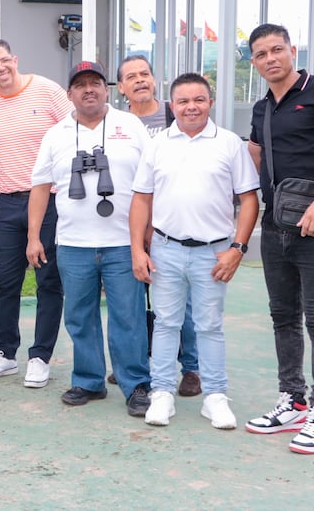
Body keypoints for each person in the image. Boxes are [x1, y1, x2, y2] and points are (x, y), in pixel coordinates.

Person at [245, 23, 314, 455]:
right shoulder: (262, 108)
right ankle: (291, 399)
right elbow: (256, 152)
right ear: (253, 63)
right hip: (276, 228)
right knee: (283, 318)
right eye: (261, 54)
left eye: (277, 49)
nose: (271, 58)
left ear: (292, 50)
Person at [129, 73, 260, 430]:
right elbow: (141, 199)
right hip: (166, 249)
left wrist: (238, 247)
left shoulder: (229, 143)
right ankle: (162, 394)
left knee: (209, 326)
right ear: (173, 105)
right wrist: (136, 250)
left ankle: (215, 397)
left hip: (213, 253)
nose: (191, 107)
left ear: (210, 103)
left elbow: (249, 199)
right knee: (167, 323)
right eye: (183, 101)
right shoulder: (158, 144)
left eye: (199, 100)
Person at [28, 61, 151, 416]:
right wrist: (34, 236)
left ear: (107, 89)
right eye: (80, 85)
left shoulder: (131, 126)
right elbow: (40, 187)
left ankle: (136, 383)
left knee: (128, 315)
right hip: (73, 242)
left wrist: (146, 235)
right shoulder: (56, 134)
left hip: (123, 242)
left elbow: (151, 181)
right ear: (70, 94)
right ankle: (88, 379)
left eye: (95, 83)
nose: (88, 90)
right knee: (79, 315)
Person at [0, 39, 69, 389]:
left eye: (5, 60)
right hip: (8, 201)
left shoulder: (47, 90)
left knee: (48, 281)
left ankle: (41, 356)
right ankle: (5, 353)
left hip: (49, 201)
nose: (0, 68)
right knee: (6, 282)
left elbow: (74, 133)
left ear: (15, 59)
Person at [117, 55, 202, 397]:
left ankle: (192, 368)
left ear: (155, 80)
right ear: (121, 88)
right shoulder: (116, 123)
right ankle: (137, 367)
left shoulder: (174, 116)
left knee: (184, 303)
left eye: (145, 74)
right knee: (134, 302)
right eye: (131, 77)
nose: (140, 80)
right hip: (132, 226)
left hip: (174, 227)